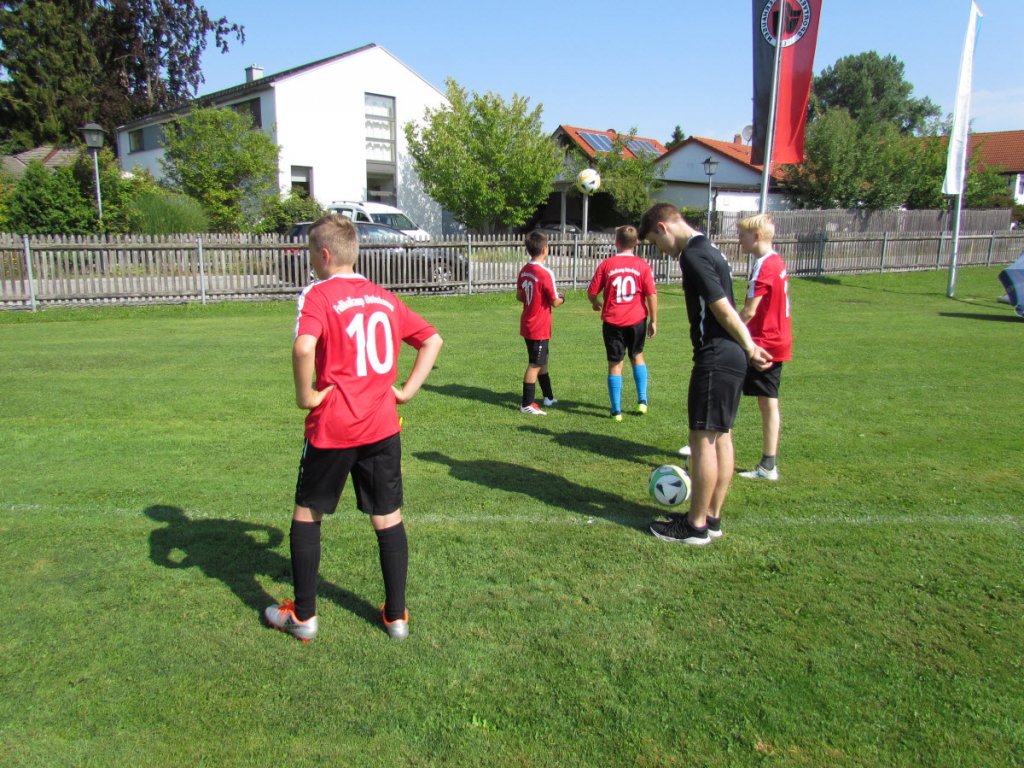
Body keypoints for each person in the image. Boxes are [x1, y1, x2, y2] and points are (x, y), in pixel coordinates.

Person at [264, 214, 443, 641]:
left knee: (308, 513)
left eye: (311, 253)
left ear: (324, 254)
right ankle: (396, 616)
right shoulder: (383, 296)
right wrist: (407, 391)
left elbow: (304, 345)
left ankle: (304, 617)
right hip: (382, 426)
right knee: (387, 517)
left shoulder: (318, 294)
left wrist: (305, 396)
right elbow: (432, 339)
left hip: (333, 427)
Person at [638, 204, 772, 545]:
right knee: (721, 437)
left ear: (663, 228)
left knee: (702, 441)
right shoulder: (710, 247)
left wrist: (749, 344)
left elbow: (721, 307)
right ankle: (711, 518)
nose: (660, 251)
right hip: (729, 357)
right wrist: (744, 347)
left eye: (655, 242)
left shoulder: (693, 256)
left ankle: (695, 527)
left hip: (715, 356)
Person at [736, 214, 792, 481]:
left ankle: (706, 445)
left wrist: (726, 327)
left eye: (742, 235)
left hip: (762, 343)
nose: (739, 240)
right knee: (767, 402)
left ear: (756, 237)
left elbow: (749, 311)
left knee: (723, 386)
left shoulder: (764, 265)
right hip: (776, 340)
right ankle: (768, 463)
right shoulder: (776, 260)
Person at [587, 225, 658, 421]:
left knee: (615, 364)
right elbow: (651, 293)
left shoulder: (607, 264)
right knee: (637, 356)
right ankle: (642, 401)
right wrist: (654, 320)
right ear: (636, 243)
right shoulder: (642, 265)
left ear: (616, 242)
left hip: (613, 320)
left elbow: (592, 292)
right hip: (637, 319)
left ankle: (616, 411)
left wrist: (595, 303)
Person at [517, 231, 564, 415]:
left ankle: (548, 397)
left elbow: (519, 296)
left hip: (528, 322)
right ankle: (527, 404)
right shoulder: (545, 273)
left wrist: (534, 300)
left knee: (542, 361)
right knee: (535, 364)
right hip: (538, 325)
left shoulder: (525, 270)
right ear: (545, 249)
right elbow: (554, 301)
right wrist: (563, 298)